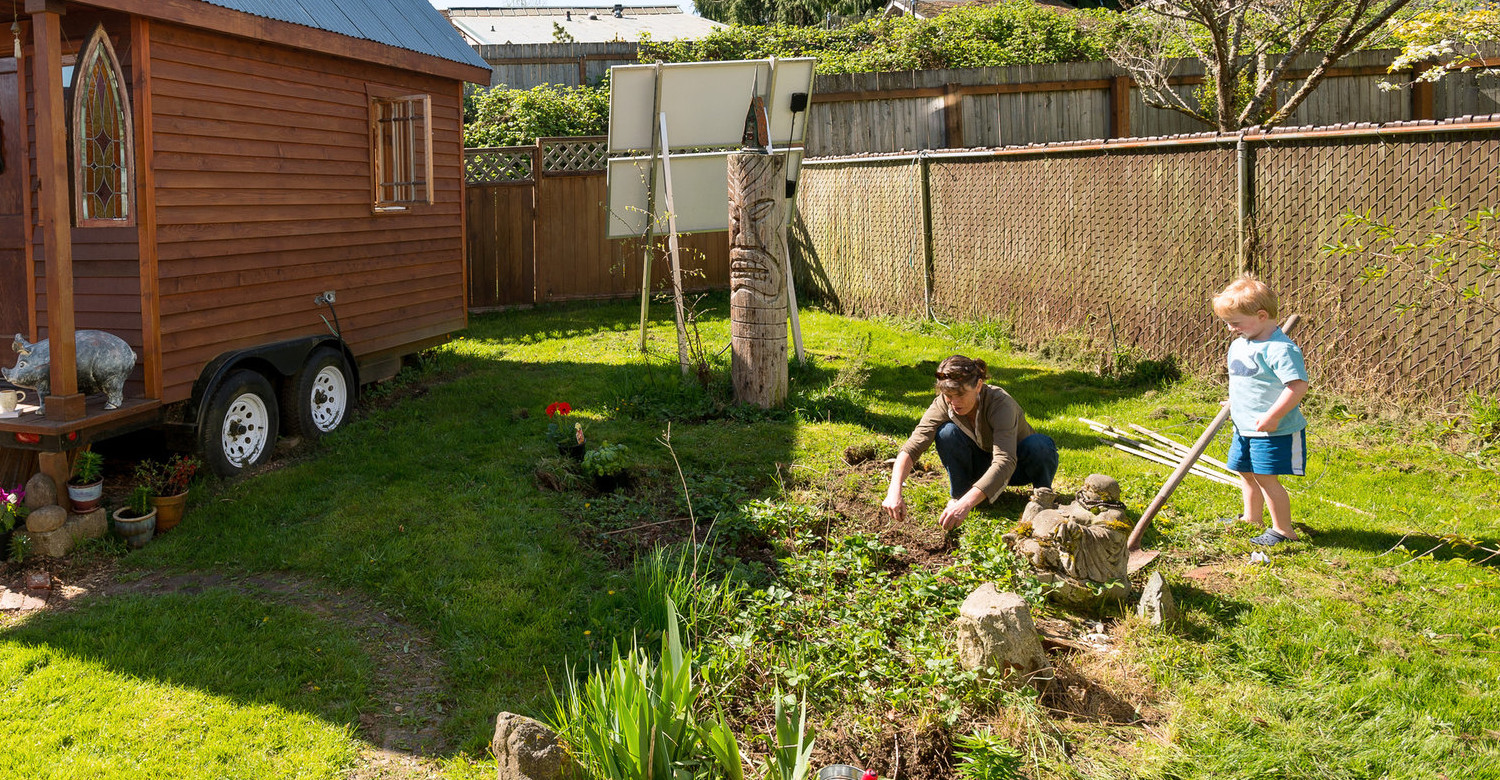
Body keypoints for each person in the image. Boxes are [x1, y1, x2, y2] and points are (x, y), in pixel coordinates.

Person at [882, 355, 1058, 531]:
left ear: (978, 386)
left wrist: (967, 504)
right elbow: (914, 445)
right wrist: (894, 491)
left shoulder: (1001, 403)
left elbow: (1005, 460)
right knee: (947, 433)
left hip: (1018, 467)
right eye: (949, 395)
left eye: (960, 394)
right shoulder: (945, 403)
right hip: (981, 466)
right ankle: (961, 496)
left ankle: (1042, 499)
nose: (955, 402)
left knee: (1040, 445)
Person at [1212, 275, 1310, 546]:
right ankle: (1251, 518)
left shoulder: (1281, 349)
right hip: (1243, 424)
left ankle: (1283, 531)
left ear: (1262, 315)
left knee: (1267, 478)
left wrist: (1273, 416)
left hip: (1272, 429)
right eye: (1228, 323)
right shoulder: (1241, 344)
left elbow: (1298, 386)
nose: (1231, 329)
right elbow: (1249, 382)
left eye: (1235, 323)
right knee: (1245, 472)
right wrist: (1235, 402)